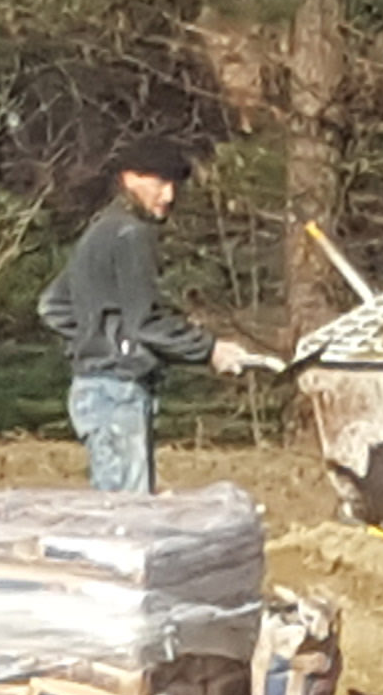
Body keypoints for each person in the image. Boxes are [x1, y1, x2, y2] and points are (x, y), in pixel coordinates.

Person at [37, 139, 268, 494]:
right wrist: (210, 350)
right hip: (118, 394)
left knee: (113, 509)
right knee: (127, 520)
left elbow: (52, 306)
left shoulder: (102, 229)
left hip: (90, 390)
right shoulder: (132, 233)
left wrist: (101, 338)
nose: (170, 195)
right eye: (160, 183)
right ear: (130, 178)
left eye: (174, 185)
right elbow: (145, 323)